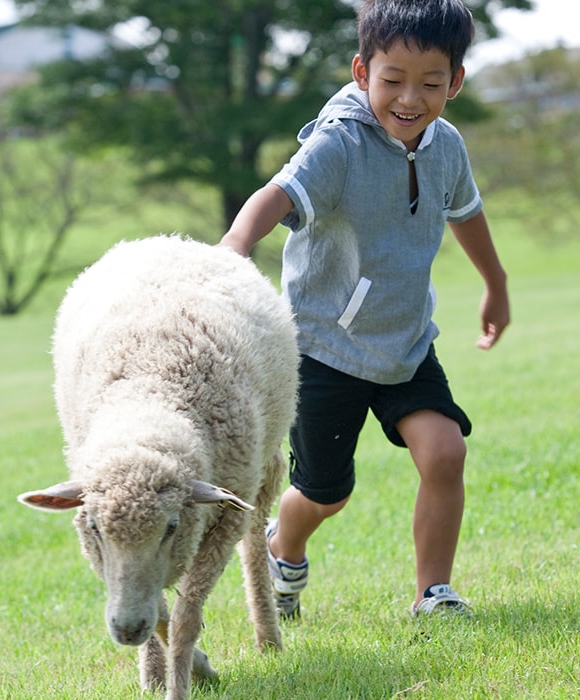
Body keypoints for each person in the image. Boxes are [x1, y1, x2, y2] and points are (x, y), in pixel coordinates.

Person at [218, 0, 510, 618]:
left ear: (454, 82)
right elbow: (274, 196)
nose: (410, 98)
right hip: (323, 350)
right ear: (361, 73)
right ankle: (284, 546)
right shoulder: (339, 146)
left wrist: (496, 282)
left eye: (431, 83)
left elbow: (467, 212)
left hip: (405, 342)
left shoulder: (446, 146)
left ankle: (433, 592)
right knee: (325, 495)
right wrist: (236, 246)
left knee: (445, 452)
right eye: (392, 81)